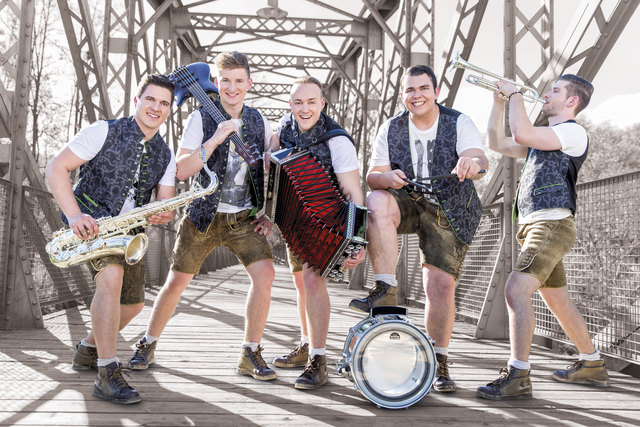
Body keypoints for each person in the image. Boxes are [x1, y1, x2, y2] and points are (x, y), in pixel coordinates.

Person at [127, 51, 279, 382]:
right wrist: (216, 139)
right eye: (225, 80)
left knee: (265, 275)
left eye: (239, 81)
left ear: (249, 83)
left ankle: (250, 352)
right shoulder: (201, 118)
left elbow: (279, 160)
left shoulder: (259, 121)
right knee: (176, 282)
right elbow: (182, 168)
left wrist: (270, 204)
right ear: (216, 82)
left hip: (243, 218)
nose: (232, 87)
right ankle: (147, 342)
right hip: (203, 216)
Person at [348, 65, 488, 393]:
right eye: (410, 90)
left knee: (438, 287)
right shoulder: (391, 127)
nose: (417, 95)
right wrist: (387, 178)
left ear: (436, 91)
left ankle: (438, 361)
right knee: (378, 199)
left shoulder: (459, 122)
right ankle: (386, 287)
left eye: (423, 88)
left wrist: (474, 165)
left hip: (450, 209)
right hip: (409, 201)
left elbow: (478, 158)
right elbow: (373, 176)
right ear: (402, 95)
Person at [45, 74, 177, 404]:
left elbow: (165, 200)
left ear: (169, 111)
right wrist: (75, 215)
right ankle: (107, 371)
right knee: (111, 278)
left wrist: (164, 213)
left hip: (129, 232)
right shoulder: (103, 130)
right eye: (151, 99)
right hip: (92, 224)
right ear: (137, 101)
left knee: (133, 305)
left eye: (164, 103)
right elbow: (55, 168)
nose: (156, 107)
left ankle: (89, 348)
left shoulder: (166, 155)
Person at [477, 75, 609, 400]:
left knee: (515, 290)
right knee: (557, 301)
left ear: (571, 101)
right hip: (539, 226)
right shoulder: (544, 138)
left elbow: (521, 132)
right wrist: (499, 103)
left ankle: (518, 374)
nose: (547, 94)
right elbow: (497, 142)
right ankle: (591, 363)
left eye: (555, 91)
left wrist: (517, 94)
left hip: (552, 225)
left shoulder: (573, 132)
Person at [271, 76, 365, 389]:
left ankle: (319, 360)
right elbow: (269, 176)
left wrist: (356, 242)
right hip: (294, 221)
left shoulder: (337, 141)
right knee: (301, 284)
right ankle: (305, 345)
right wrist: (267, 215)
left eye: (311, 102)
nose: (305, 108)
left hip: (328, 221)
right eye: (298, 102)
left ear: (322, 104)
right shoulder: (282, 130)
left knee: (312, 281)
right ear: (290, 104)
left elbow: (353, 193)